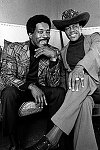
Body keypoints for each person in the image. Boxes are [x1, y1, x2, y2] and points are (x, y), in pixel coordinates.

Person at [25, 9, 100, 150]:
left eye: (75, 26)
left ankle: (52, 137)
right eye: (67, 27)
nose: (71, 30)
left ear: (81, 26)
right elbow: (64, 78)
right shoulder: (63, 52)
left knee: (80, 77)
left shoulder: (94, 38)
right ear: (64, 31)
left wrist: (79, 68)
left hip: (97, 85)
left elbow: (96, 52)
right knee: (84, 104)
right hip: (80, 94)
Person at [0, 15, 66, 150]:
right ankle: (14, 143)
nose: (45, 36)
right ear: (30, 34)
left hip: (41, 89)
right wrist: (31, 86)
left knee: (59, 92)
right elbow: (7, 76)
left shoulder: (52, 51)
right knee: (8, 93)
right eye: (40, 32)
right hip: (20, 89)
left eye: (48, 32)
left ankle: (48, 140)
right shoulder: (13, 49)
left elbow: (54, 84)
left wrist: (53, 58)